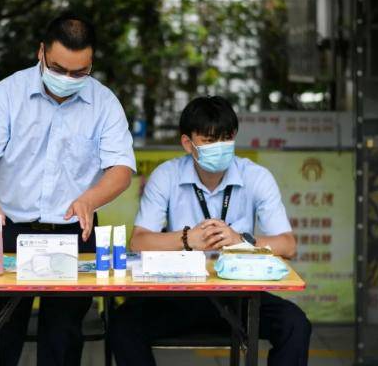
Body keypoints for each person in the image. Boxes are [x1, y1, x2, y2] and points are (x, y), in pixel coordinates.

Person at [0, 13, 136, 366]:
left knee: (62, 337)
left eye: (80, 73)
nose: (68, 79)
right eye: (59, 69)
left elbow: (121, 169)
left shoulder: (104, 103)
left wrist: (90, 198)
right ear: (41, 52)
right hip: (11, 229)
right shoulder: (7, 94)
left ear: (91, 63)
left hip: (75, 231)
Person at [109, 96, 311, 366]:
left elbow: (288, 245)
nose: (220, 147)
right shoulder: (166, 176)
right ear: (187, 143)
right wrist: (187, 239)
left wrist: (241, 240)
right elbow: (139, 241)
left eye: (226, 138)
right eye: (209, 140)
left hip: (239, 295)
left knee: (295, 325)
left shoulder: (256, 177)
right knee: (122, 325)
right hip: (177, 293)